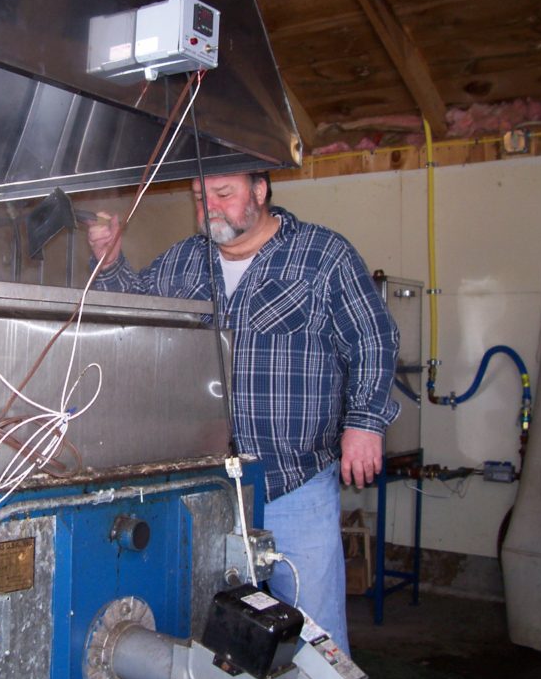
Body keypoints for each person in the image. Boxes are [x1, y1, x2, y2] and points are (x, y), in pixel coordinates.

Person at [86, 171, 399, 654]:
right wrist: (109, 263)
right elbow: (133, 316)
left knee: (319, 641)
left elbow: (375, 339)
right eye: (198, 197)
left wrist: (365, 421)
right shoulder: (185, 261)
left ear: (260, 190)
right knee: (206, 636)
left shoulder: (321, 256)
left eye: (223, 194)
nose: (208, 206)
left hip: (294, 485)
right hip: (205, 490)